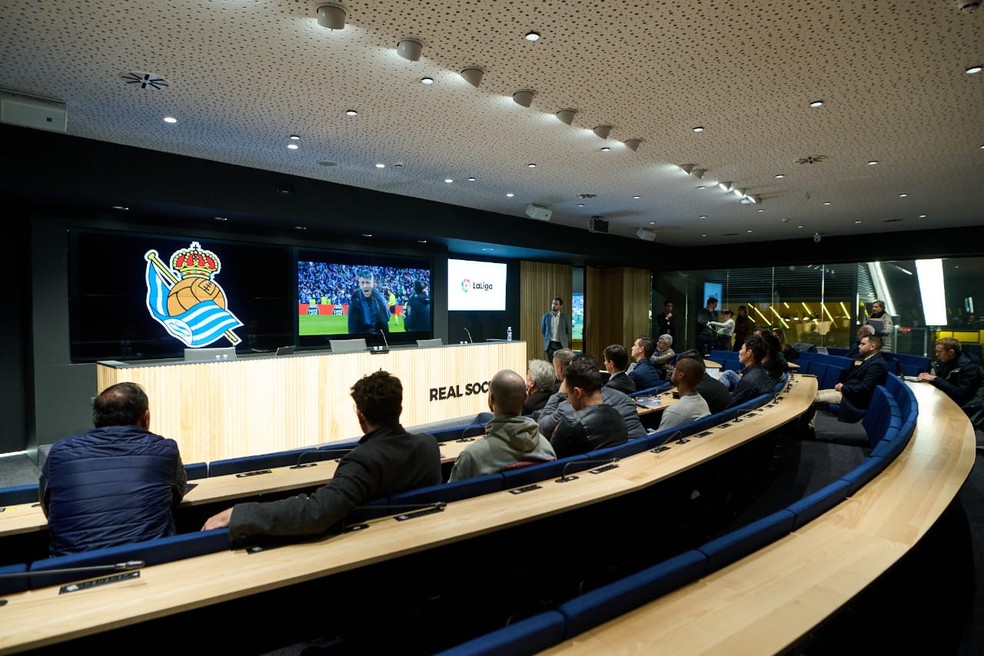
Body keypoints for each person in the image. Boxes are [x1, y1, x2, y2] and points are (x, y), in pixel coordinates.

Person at [203, 371, 441, 539]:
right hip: (420, 538)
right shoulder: (429, 445)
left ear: (360, 416)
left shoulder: (363, 460)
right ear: (399, 409)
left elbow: (316, 513)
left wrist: (239, 513)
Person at [40, 382, 187, 556]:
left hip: (71, 571)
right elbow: (175, 496)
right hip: (150, 563)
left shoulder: (59, 452)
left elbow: (49, 507)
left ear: (96, 418)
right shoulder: (165, 450)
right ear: (145, 417)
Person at [449, 370, 556, 481]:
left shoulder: (471, 458)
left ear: (491, 399)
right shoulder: (546, 448)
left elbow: (449, 496)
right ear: (526, 398)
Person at [548, 354, 628, 458]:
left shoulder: (570, 424)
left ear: (577, 392)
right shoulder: (618, 415)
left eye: (568, 395)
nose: (568, 400)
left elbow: (553, 464)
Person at [814, 334, 888, 422]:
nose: (859, 346)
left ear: (872, 347)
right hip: (848, 393)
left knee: (812, 399)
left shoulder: (877, 364)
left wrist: (843, 388)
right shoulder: (870, 359)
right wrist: (843, 386)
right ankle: (808, 427)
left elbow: (864, 388)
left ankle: (807, 429)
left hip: (852, 399)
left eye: (863, 344)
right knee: (812, 395)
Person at [918, 338, 984, 409]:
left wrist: (935, 379)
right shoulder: (944, 361)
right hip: (948, 401)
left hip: (968, 407)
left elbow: (960, 393)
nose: (937, 354)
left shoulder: (970, 367)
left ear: (951, 352)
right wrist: (928, 377)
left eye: (939, 352)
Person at [658, 357, 711, 431]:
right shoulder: (703, 402)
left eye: (675, 368)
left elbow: (659, 440)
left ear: (681, 374)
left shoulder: (673, 411)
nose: (672, 371)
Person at [728, 335, 776, 408]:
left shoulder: (747, 381)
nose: (739, 351)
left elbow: (730, 408)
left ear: (749, 353)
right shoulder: (763, 373)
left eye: (742, 349)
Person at [347, 269, 390, 335]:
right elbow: (352, 329)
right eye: (363, 283)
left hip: (377, 340)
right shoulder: (355, 302)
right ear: (359, 284)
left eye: (368, 282)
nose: (365, 286)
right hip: (361, 340)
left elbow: (385, 326)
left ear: (372, 283)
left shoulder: (380, 301)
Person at [540, 296, 571, 361]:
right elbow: (543, 330)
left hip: (561, 345)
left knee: (560, 363)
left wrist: (564, 339)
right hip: (550, 344)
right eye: (553, 303)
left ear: (560, 306)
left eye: (556, 304)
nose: (554, 305)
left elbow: (569, 331)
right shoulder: (546, 316)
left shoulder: (565, 317)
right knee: (551, 363)